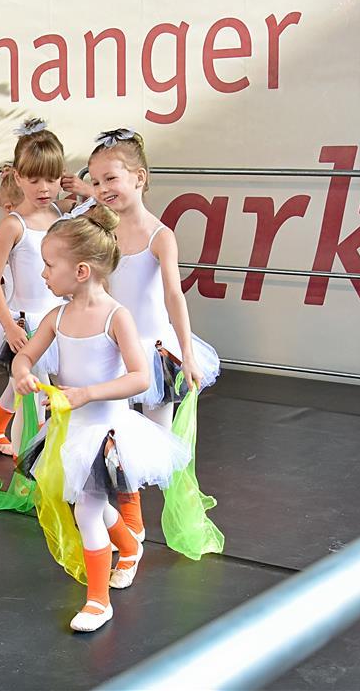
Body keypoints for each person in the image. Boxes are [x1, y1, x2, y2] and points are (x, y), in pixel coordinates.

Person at [13, 206, 189, 632]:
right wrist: (21, 372)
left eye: (49, 266)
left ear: (80, 271)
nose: (42, 276)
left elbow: (139, 377)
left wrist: (88, 393)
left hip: (108, 431)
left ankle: (97, 602)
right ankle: (128, 547)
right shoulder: (56, 317)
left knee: (88, 512)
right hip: (69, 432)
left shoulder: (116, 317)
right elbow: (26, 355)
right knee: (86, 501)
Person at [68, 128, 221, 540]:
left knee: (154, 440)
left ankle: (138, 519)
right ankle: (128, 521)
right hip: (113, 349)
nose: (102, 189)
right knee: (110, 435)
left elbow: (174, 295)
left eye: (111, 179)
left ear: (140, 178)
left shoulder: (160, 236)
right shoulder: (99, 231)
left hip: (154, 353)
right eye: (95, 181)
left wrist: (186, 354)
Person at [0, 119, 65, 455]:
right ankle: (27, 476)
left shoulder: (62, 220)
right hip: (26, 324)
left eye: (51, 179)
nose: (43, 188)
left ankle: (15, 447)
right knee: (34, 400)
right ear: (18, 178)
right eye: (34, 179)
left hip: (58, 323)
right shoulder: (12, 224)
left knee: (40, 395)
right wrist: (8, 327)